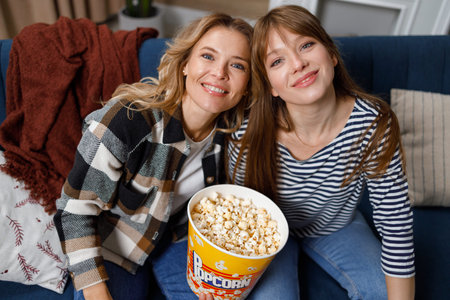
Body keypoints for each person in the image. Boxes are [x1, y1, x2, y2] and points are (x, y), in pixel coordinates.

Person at [54, 13, 253, 300]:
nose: (220, 73)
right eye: (208, 56)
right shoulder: (126, 120)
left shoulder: (235, 133)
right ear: (185, 64)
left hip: (181, 243)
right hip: (114, 246)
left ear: (247, 83)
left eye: (237, 65)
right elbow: (74, 211)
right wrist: (96, 291)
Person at [228, 5, 415, 300]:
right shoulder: (248, 129)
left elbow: (396, 225)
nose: (298, 63)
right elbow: (240, 211)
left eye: (306, 45)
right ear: (271, 87)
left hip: (337, 227)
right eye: (277, 61)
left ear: (332, 54)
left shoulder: (373, 124)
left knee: (382, 291)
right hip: (268, 233)